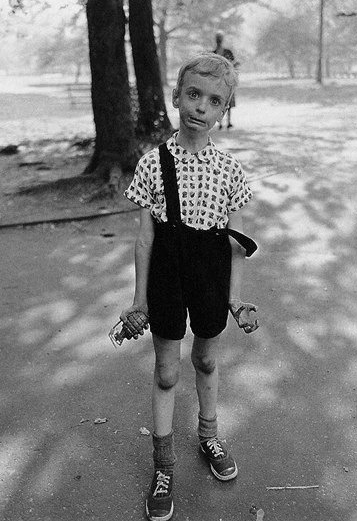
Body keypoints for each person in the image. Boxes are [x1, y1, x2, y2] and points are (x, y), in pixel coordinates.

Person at [119, 52, 259, 521]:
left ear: (225, 110)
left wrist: (235, 299)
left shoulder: (230, 172)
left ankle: (208, 434)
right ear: (177, 96)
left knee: (205, 359)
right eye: (193, 94)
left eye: (214, 100)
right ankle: (163, 466)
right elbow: (144, 239)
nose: (201, 106)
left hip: (210, 278)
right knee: (166, 372)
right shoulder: (152, 164)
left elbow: (237, 244)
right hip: (165, 277)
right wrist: (138, 300)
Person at [213, 31, 238, 129]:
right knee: (219, 102)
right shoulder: (213, 53)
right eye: (218, 39)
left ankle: (228, 122)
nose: (219, 41)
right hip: (217, 82)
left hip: (228, 80)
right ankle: (220, 123)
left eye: (220, 39)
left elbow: (234, 63)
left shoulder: (227, 52)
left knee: (228, 102)